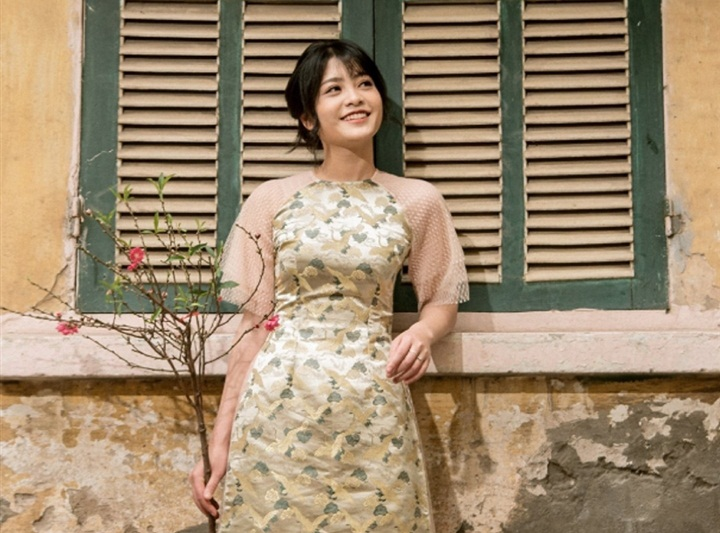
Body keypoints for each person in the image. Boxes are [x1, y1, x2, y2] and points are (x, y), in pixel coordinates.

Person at [189, 39, 469, 532]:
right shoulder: (272, 199)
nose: (355, 97)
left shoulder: (418, 199)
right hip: (277, 409)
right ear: (308, 118)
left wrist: (422, 334)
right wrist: (220, 442)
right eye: (334, 89)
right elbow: (253, 327)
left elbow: (441, 300)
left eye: (364, 84)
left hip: (373, 405)